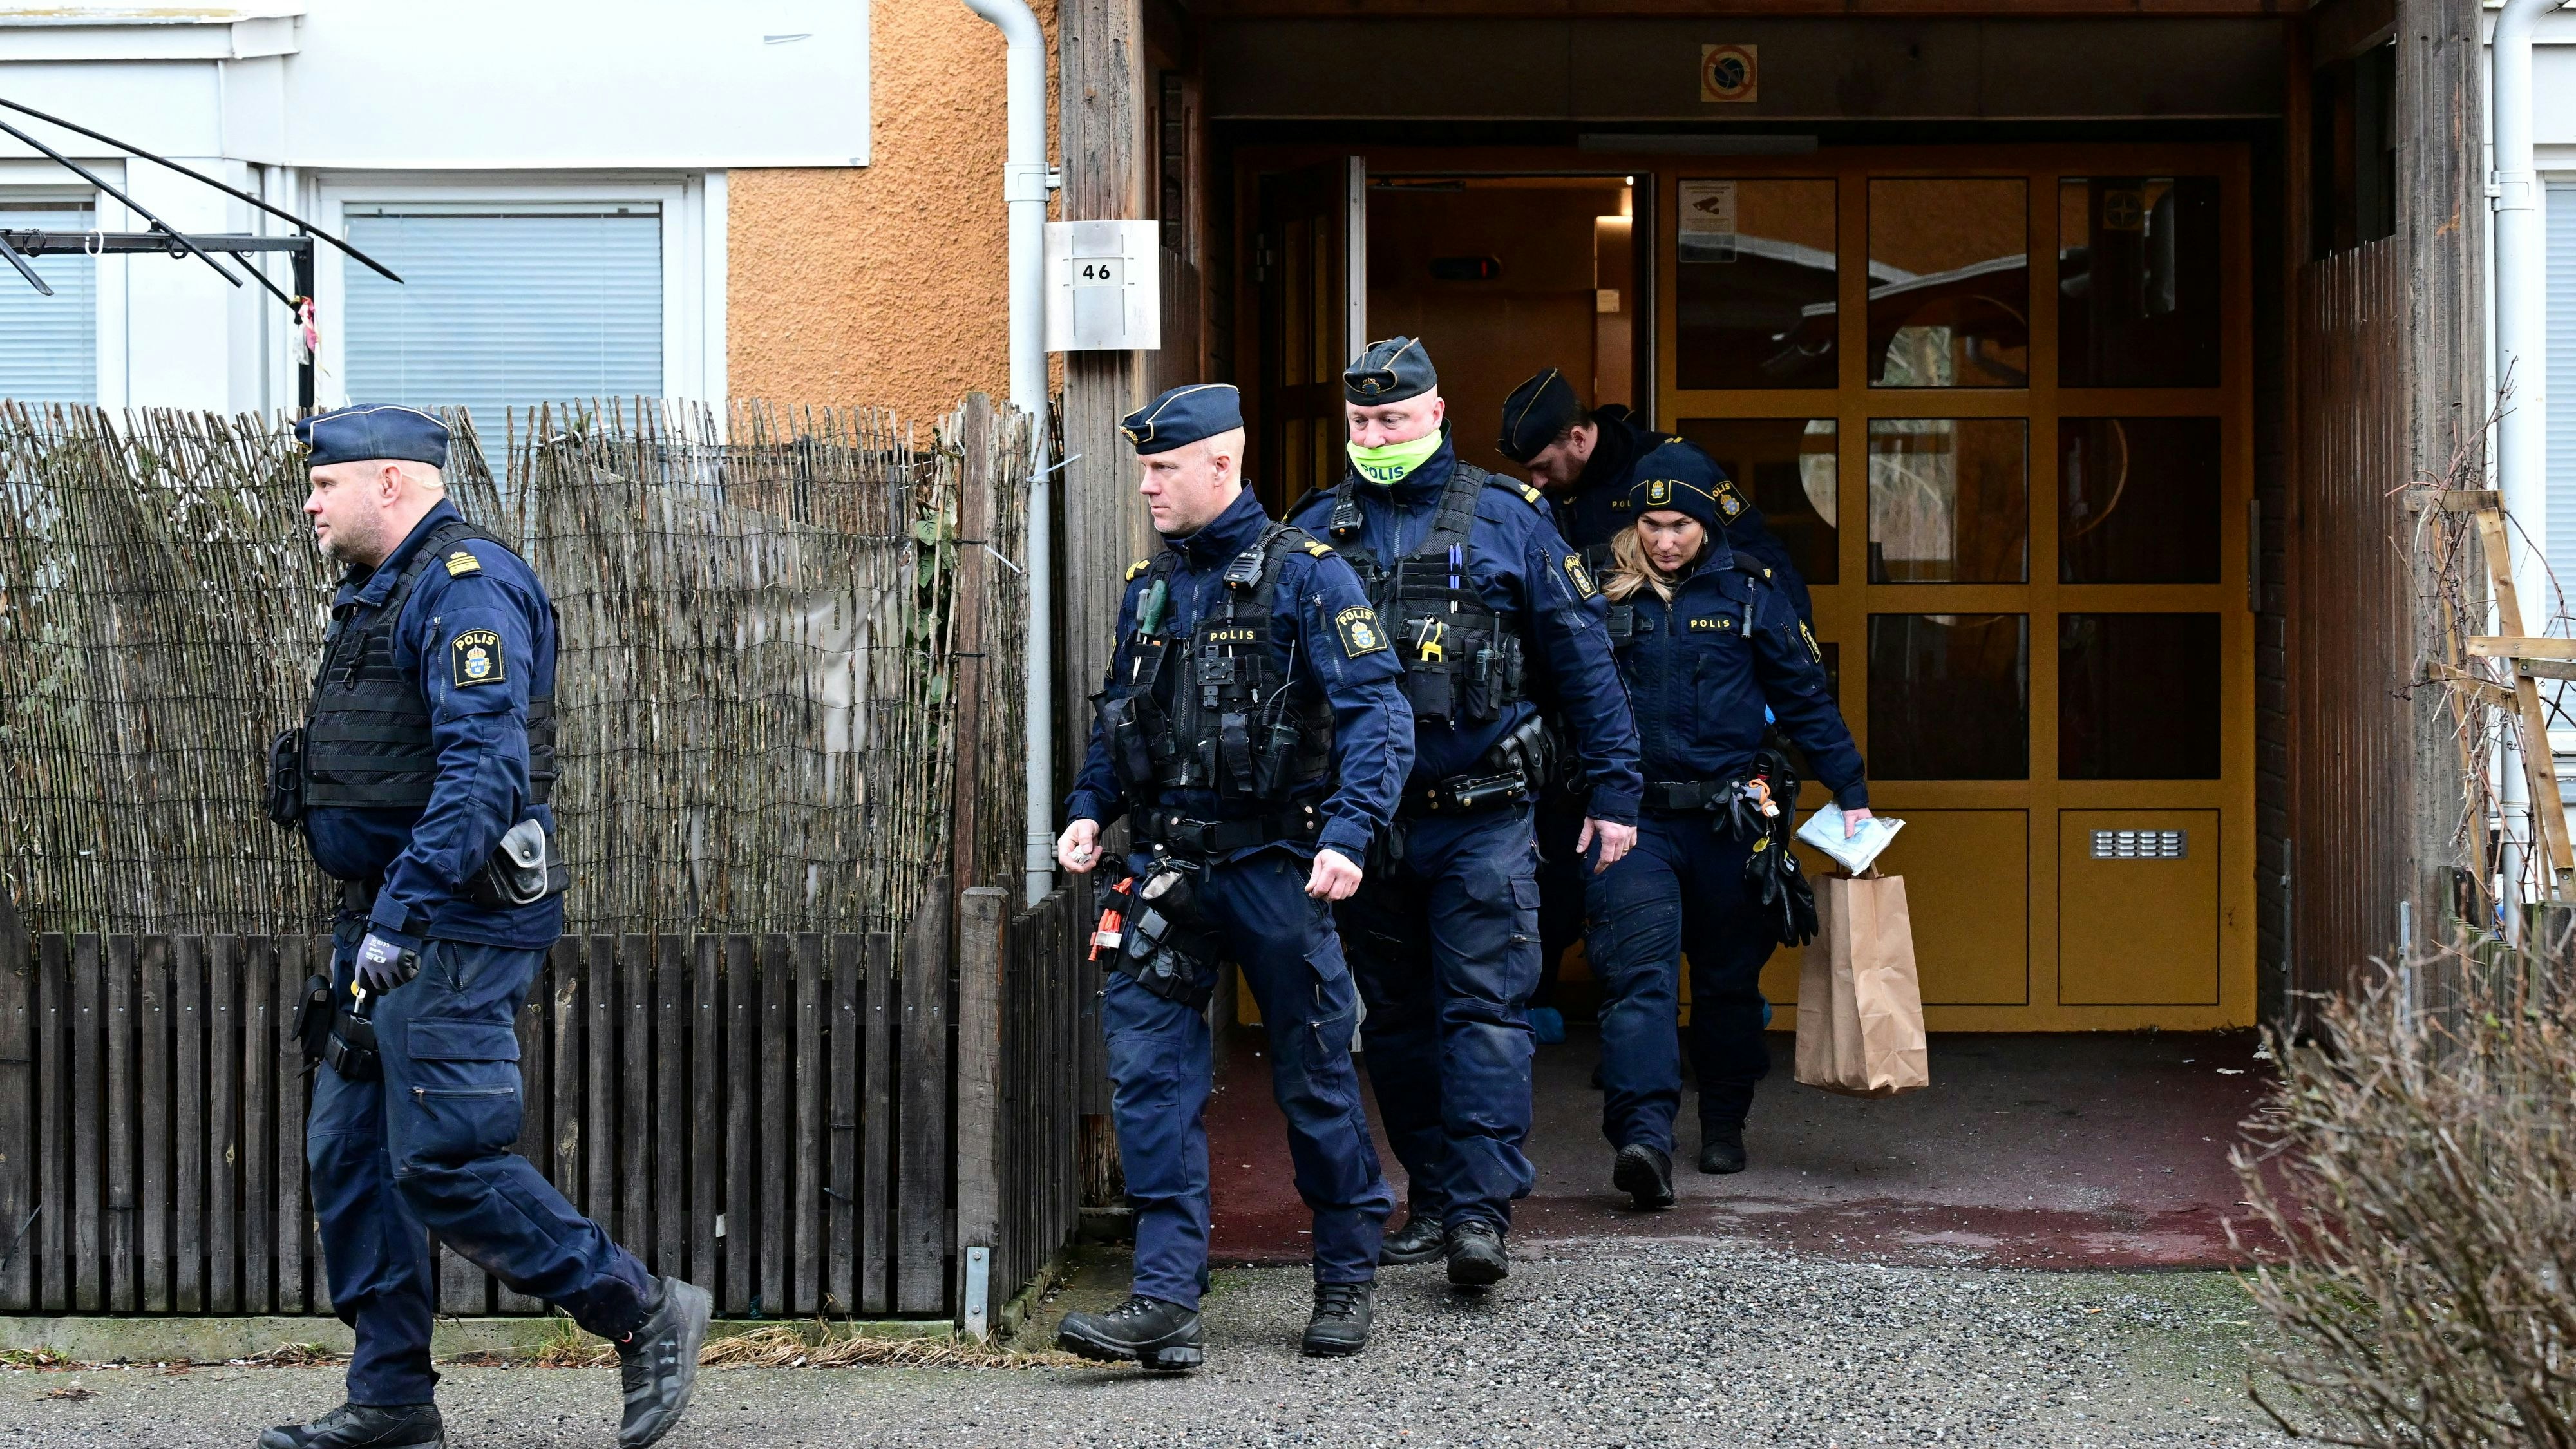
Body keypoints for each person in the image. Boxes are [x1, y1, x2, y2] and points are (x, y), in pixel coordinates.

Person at [267, 405, 708, 1449]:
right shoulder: (378, 597)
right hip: (381, 921)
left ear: (391, 483)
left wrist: (404, 915)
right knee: (350, 1154)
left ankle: (641, 1312)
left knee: (444, 1160)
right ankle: (391, 1401)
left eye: (326, 485)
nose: (310, 502)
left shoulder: (469, 587)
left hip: (449, 925)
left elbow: (483, 776)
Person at [1053, 383, 1412, 1367]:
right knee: (1148, 1080)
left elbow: (1380, 713)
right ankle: (1166, 1300)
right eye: (1144, 468)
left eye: (1164, 468)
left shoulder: (1310, 577)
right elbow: (1121, 715)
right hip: (1171, 872)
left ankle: (1345, 1271)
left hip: (1280, 868)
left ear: (1224, 462)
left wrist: (1350, 831)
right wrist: (1090, 808)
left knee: (1316, 1075)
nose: (1148, 485)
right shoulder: (1151, 585)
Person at [1286, 339, 1642, 1286]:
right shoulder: (1317, 527)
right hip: (1371, 828)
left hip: (1484, 815)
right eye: (1361, 422)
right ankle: (1435, 1197)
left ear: (1436, 412)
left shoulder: (1508, 519)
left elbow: (1584, 666)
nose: (1375, 436)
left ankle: (1482, 1212)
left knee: (1484, 1010)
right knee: (1396, 1021)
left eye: (1392, 418)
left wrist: (1615, 794)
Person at [1584, 441, 1872, 1207]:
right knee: (1637, 983)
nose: (1664, 540)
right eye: (1651, 524)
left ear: (1707, 524)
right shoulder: (1599, 592)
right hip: (1633, 821)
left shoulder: (1752, 593)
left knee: (1726, 986)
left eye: (1679, 524)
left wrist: (1852, 792)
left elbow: (1806, 700)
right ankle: (1643, 1139)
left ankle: (1722, 1126)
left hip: (1731, 817)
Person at [1495, 368, 1814, 1048]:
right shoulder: (1544, 497)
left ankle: (1724, 1011)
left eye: (1543, 466)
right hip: (1592, 719)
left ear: (1578, 437)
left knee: (1718, 884)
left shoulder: (1670, 468)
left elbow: (1763, 566)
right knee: (1562, 855)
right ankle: (1575, 1010)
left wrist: (1773, 689)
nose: (1538, 481)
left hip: (1697, 714)